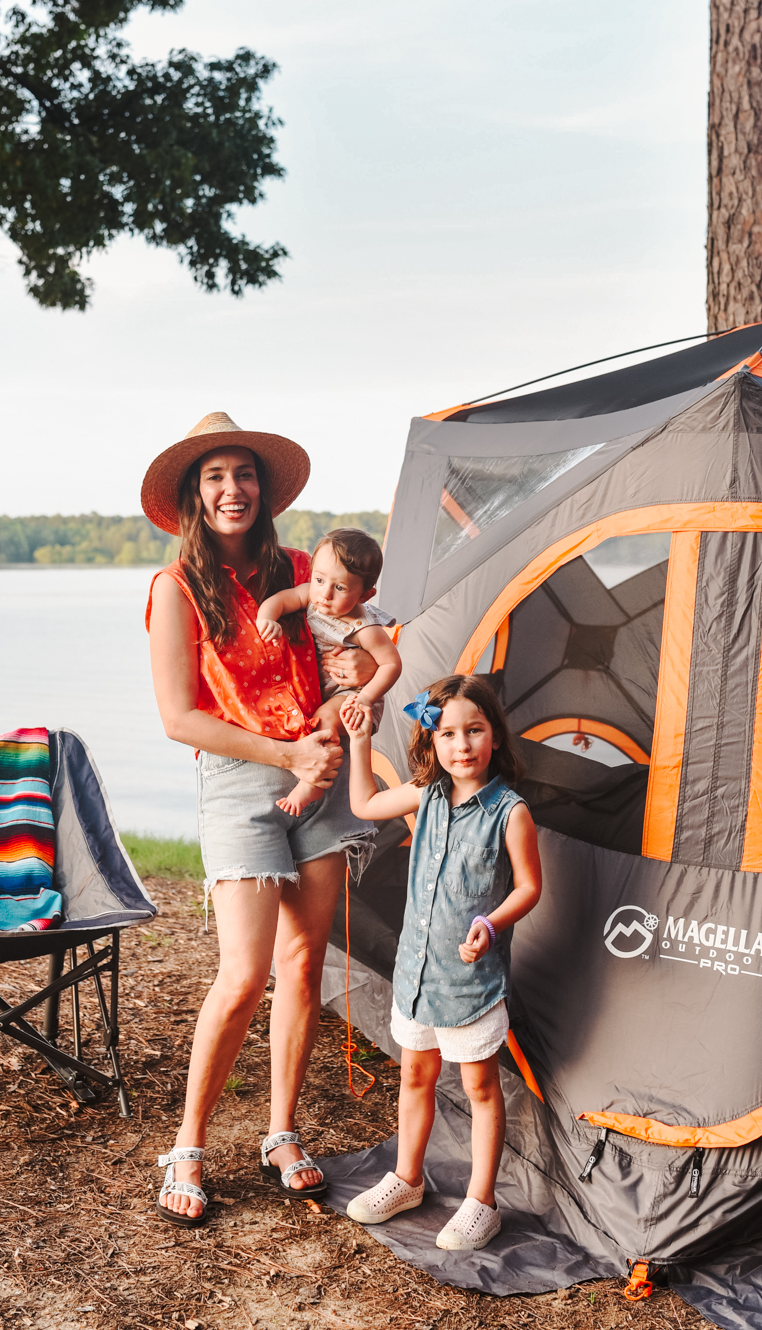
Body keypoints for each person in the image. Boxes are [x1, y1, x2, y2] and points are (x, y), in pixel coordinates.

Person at [142, 412, 380, 1228]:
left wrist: (348, 689)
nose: (231, 488)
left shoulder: (311, 570)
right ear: (193, 498)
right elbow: (178, 717)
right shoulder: (174, 589)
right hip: (244, 776)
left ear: (262, 490)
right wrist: (285, 759)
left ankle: (281, 1132)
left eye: (243, 474)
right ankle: (188, 1144)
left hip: (316, 768)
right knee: (244, 974)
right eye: (214, 477)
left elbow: (348, 658)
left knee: (305, 964)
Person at [340, 675, 543, 1252]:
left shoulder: (510, 812)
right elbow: (364, 804)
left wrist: (489, 924)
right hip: (417, 975)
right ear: (432, 743)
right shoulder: (426, 795)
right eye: (448, 733)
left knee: (480, 1087)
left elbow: (529, 887)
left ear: (495, 737)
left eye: (474, 731)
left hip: (472, 983)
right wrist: (359, 741)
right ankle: (406, 1179)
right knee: (415, 1075)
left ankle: (482, 1202)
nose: (462, 745)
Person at [256, 527, 402, 816]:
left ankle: (312, 783)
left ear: (365, 594)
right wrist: (267, 619)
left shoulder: (364, 627)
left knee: (323, 719)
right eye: (319, 579)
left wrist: (365, 698)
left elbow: (392, 664)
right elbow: (281, 601)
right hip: (327, 687)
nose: (324, 593)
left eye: (340, 587)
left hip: (352, 693)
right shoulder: (312, 597)